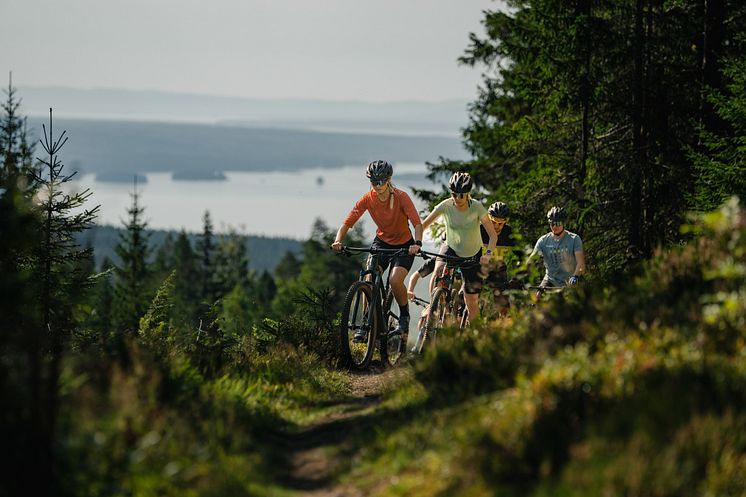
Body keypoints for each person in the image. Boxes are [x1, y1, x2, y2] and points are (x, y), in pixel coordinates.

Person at [331, 160, 423, 342]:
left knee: (395, 280)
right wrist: (338, 240)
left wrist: (417, 243)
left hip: (404, 245)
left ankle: (404, 315)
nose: (378, 186)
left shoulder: (401, 197)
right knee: (369, 278)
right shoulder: (368, 198)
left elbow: (417, 223)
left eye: (382, 181)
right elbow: (348, 221)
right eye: (374, 182)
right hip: (381, 243)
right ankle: (366, 321)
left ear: (389, 180)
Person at [421, 172, 496, 323]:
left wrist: (487, 254)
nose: (457, 198)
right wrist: (415, 242)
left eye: (462, 195)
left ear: (468, 194)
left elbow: (493, 235)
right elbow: (423, 226)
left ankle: (474, 332)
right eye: (454, 194)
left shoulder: (477, 207)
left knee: (471, 301)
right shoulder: (446, 205)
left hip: (472, 254)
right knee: (438, 271)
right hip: (451, 248)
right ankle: (433, 305)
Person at [527, 206, 585, 291]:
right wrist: (522, 272)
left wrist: (575, 276)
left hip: (569, 281)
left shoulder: (574, 239)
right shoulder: (543, 241)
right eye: (552, 223)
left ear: (563, 223)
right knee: (537, 297)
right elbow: (531, 260)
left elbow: (581, 264)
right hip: (549, 280)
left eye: (557, 223)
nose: (554, 227)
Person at [480, 201, 519, 316]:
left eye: (500, 224)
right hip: (478, 267)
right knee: (466, 295)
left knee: (503, 302)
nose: (496, 226)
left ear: (506, 222)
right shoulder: (480, 230)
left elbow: (521, 257)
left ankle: (504, 323)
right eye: (493, 222)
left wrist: (518, 277)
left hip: (497, 271)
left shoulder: (509, 234)